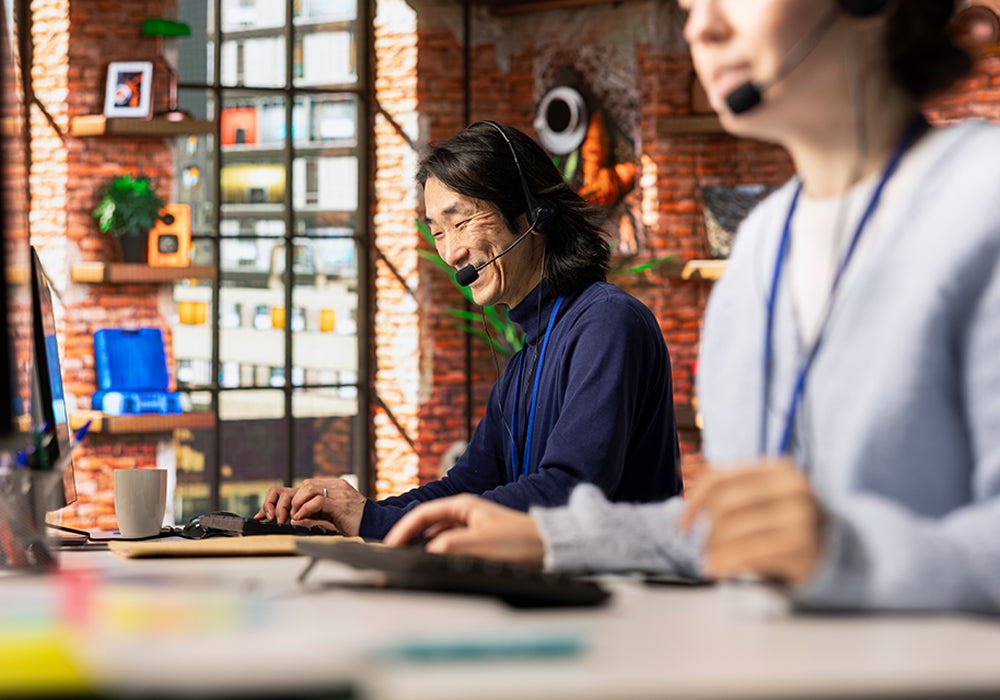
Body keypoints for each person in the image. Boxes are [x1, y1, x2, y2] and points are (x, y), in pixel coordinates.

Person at [385, 0, 1000, 615]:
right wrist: (550, 537)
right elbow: (725, 535)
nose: (700, 28)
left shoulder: (981, 201)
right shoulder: (763, 244)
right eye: (688, 4)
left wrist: (845, 553)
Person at [256, 121, 682, 539]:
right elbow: (464, 488)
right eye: (437, 232)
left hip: (626, 600)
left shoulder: (606, 323)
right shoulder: (525, 361)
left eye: (460, 223)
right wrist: (353, 513)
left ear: (531, 212)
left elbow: (570, 492)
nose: (451, 252)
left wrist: (373, 522)